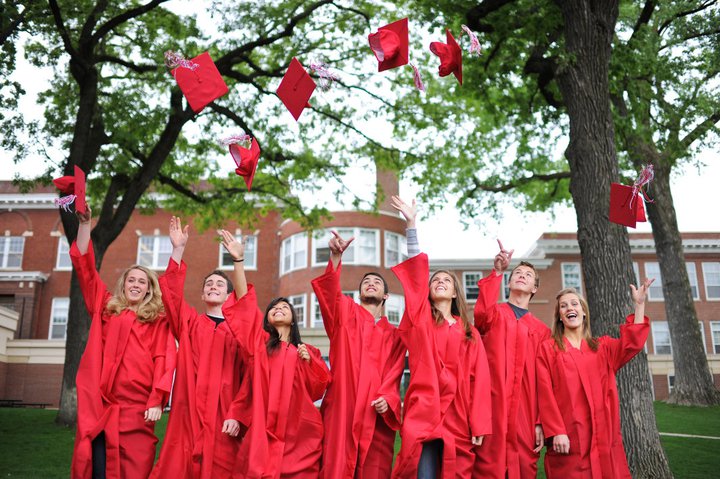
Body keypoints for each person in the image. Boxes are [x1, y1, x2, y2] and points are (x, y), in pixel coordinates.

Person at [389, 196, 491, 478]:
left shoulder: (469, 333)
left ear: (456, 292)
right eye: (435, 280)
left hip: (458, 414)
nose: (440, 281)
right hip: (424, 410)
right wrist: (411, 226)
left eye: (446, 280)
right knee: (421, 472)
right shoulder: (419, 320)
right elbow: (416, 276)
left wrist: (479, 423)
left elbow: (480, 380)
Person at [70, 207, 176, 479]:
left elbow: (164, 359)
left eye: (142, 281)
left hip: (138, 410)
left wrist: (157, 400)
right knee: (97, 468)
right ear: (124, 284)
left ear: (149, 288)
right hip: (102, 406)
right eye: (132, 280)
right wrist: (85, 224)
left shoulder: (157, 320)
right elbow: (85, 269)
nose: (136, 284)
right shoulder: (106, 308)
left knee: (134, 470)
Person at [219, 230, 331, 478]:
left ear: (293, 320)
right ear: (268, 319)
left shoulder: (308, 351)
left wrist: (309, 362)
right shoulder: (259, 344)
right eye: (273, 308)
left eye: (284, 307)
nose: (279, 309)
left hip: (299, 434)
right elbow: (245, 303)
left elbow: (318, 389)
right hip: (263, 429)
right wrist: (239, 261)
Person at [150, 217, 246, 479]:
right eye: (208, 285)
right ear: (203, 295)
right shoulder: (191, 323)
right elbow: (171, 295)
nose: (213, 286)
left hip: (224, 413)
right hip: (188, 411)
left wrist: (238, 413)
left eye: (219, 285)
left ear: (229, 296)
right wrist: (178, 250)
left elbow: (251, 376)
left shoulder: (239, 331)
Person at [311, 230, 406, 478]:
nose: (370, 283)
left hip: (376, 415)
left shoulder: (395, 336)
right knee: (336, 467)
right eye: (366, 282)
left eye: (376, 282)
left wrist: (389, 400)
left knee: (373, 470)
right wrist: (334, 257)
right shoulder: (345, 314)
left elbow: (395, 373)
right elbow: (330, 294)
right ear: (359, 294)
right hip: (343, 407)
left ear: (386, 296)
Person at [537, 279, 654, 479]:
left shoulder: (603, 348)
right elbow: (544, 391)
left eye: (574, 304)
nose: (569, 308)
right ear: (560, 318)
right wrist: (557, 431)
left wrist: (639, 305)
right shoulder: (549, 349)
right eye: (563, 306)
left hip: (603, 436)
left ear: (583, 313)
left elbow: (632, 344)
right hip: (569, 437)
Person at [473, 240, 551, 478]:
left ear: (534, 288)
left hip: (525, 413)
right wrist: (497, 272)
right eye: (517, 273)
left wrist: (539, 421)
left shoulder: (541, 331)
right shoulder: (494, 315)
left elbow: (543, 381)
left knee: (523, 466)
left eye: (528, 275)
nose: (521, 275)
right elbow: (480, 314)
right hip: (492, 407)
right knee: (487, 465)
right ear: (509, 282)